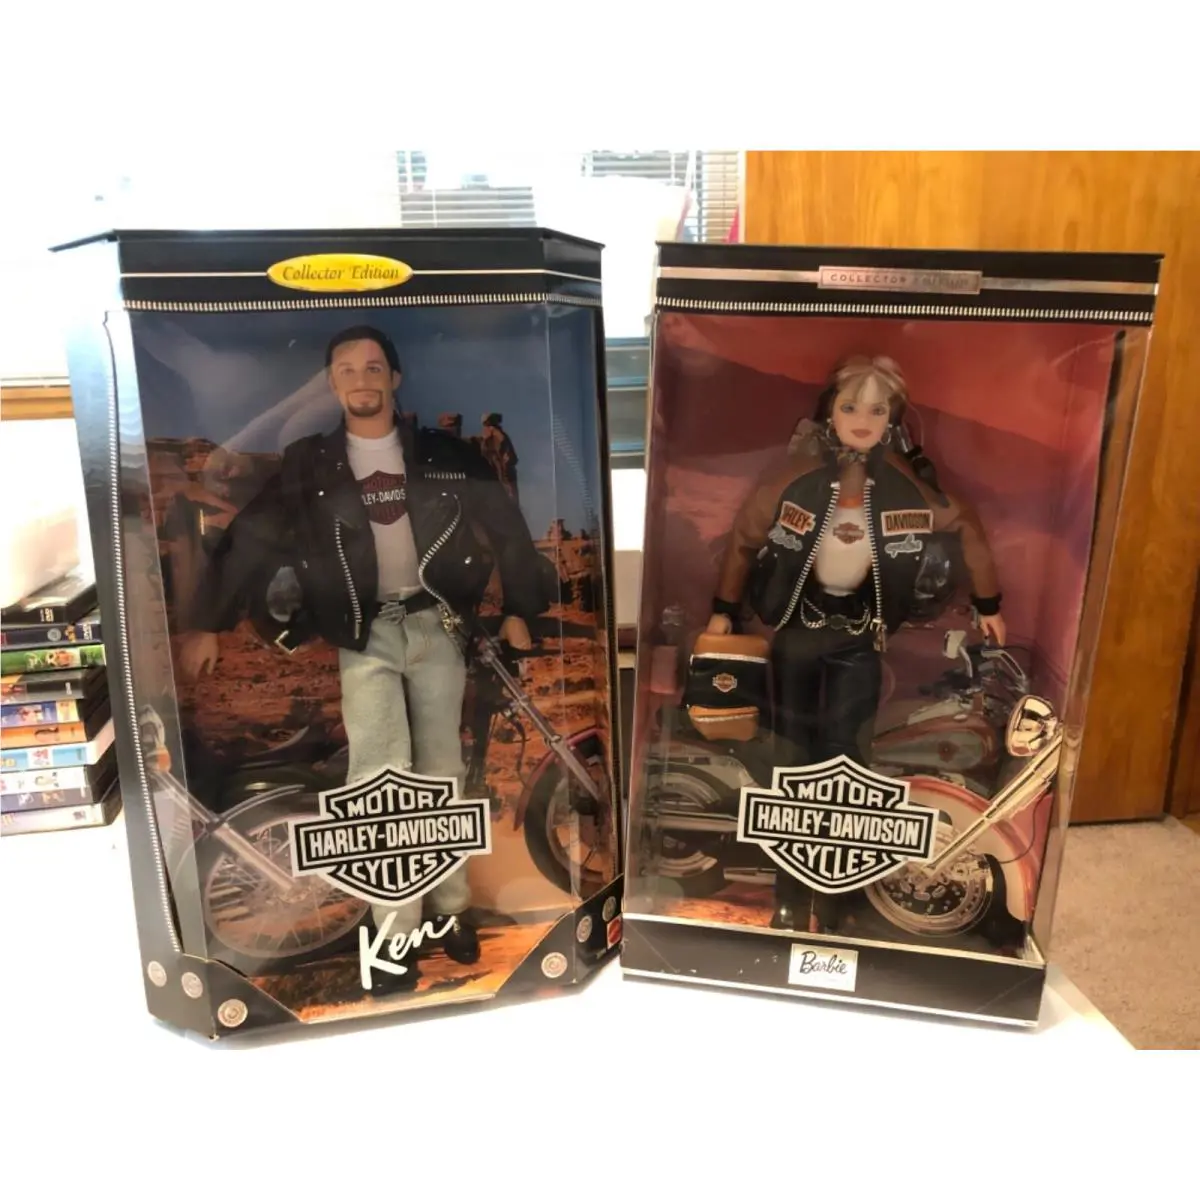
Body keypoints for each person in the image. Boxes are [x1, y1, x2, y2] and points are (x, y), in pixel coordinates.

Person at [179, 325, 551, 993]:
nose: (361, 380)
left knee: (442, 770)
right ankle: (393, 929)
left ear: (395, 379)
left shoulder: (441, 454)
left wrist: (521, 606)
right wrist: (208, 621)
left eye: (374, 367)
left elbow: (505, 525)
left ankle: (450, 909)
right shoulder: (311, 464)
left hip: (435, 623)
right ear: (331, 383)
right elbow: (251, 537)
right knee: (379, 778)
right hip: (363, 632)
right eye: (346, 369)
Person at [706, 355, 1005, 934]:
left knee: (847, 763)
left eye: (877, 409)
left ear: (893, 417)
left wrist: (989, 602)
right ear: (830, 413)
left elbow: (965, 524)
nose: (862, 420)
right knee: (790, 757)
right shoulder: (794, 478)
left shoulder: (905, 484)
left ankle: (836, 891)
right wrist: (724, 609)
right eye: (850, 407)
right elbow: (744, 535)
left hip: (860, 636)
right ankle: (789, 893)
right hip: (797, 632)